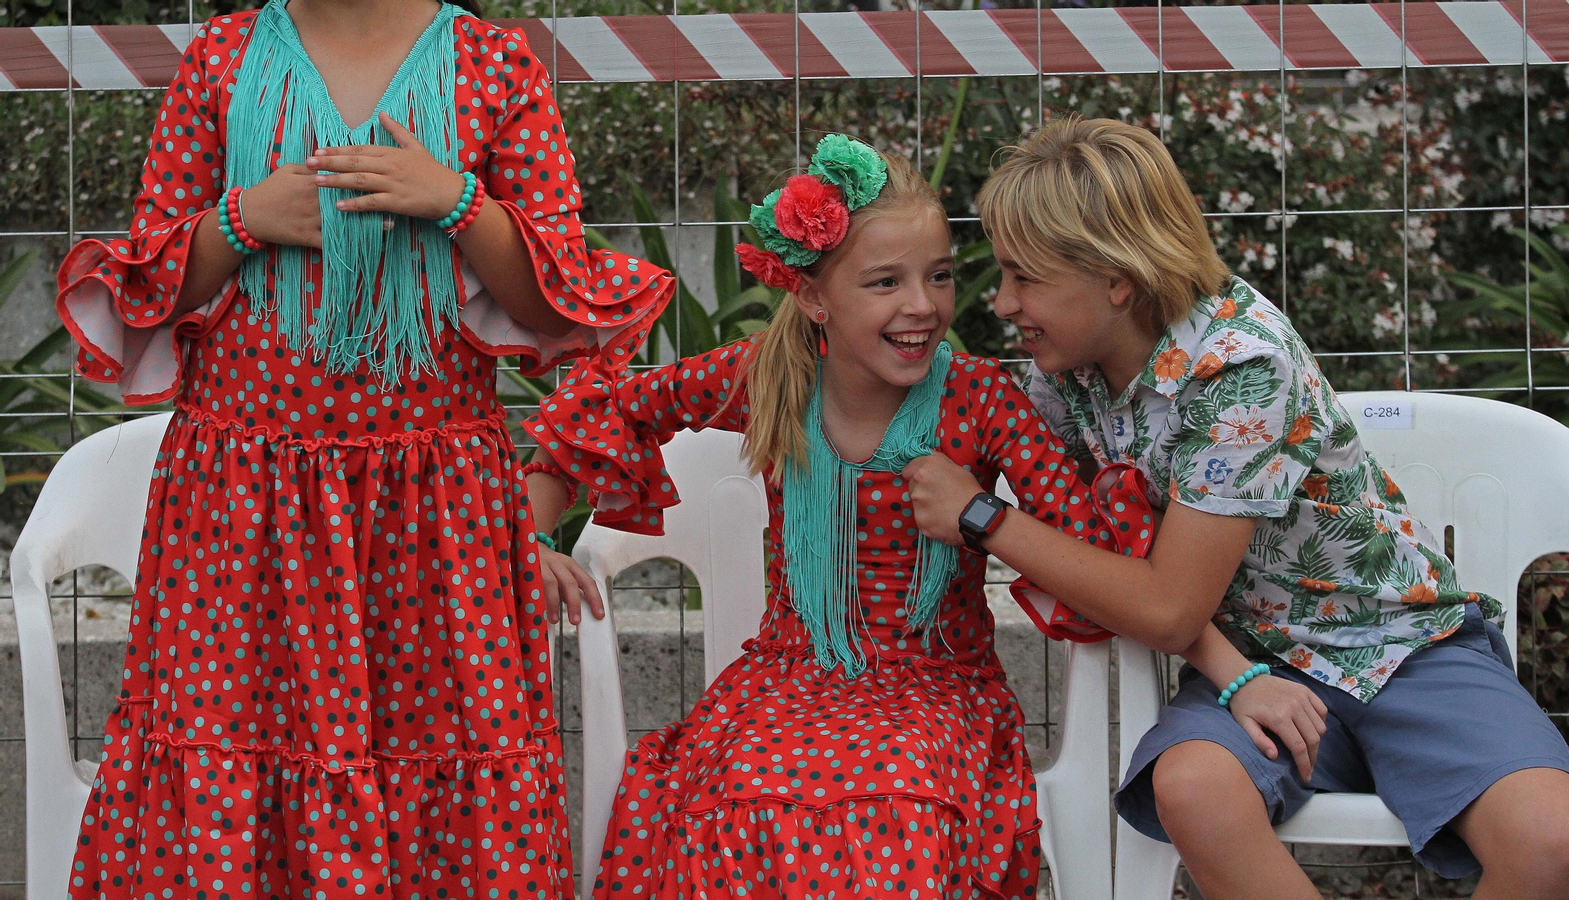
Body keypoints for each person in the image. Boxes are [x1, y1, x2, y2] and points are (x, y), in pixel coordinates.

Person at [53, 1, 672, 897]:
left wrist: (458, 202)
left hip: (433, 515)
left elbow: (554, 297)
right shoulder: (221, 56)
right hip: (245, 511)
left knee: (443, 750)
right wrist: (241, 219)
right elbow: (152, 283)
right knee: (235, 745)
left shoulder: (494, 64)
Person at [904, 115, 1569, 899]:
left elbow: (1166, 607)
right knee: (1193, 787)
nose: (1002, 303)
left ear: (1115, 278)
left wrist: (983, 519)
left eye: (1023, 277)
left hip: (1403, 648)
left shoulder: (1241, 365)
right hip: (1255, 661)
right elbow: (1086, 541)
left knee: (1550, 840)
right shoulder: (1067, 372)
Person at [521, 134, 1152, 899]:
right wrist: (531, 538)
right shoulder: (768, 377)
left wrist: (982, 513)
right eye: (886, 282)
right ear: (816, 298)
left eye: (940, 275)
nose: (923, 305)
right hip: (784, 682)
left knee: (896, 804)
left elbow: (1087, 546)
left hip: (934, 687)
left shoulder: (979, 399)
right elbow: (603, 414)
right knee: (737, 799)